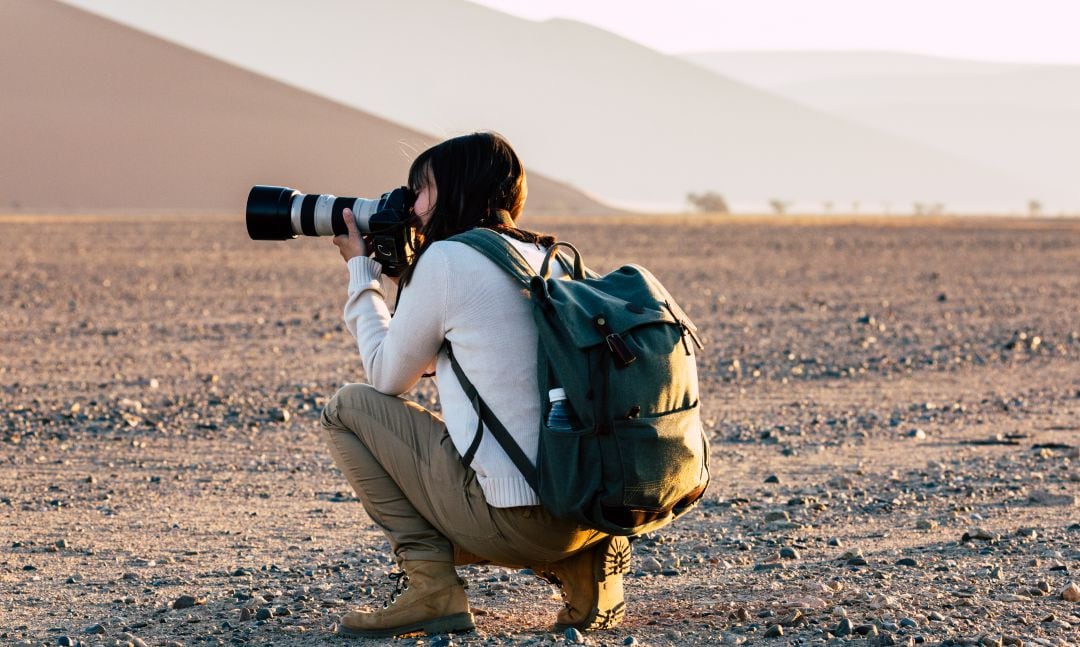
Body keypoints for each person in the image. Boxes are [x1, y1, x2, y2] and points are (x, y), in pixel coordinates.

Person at [320, 132, 632, 638]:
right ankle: (585, 566)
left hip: (517, 525)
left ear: (455, 191)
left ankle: (432, 588)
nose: (412, 205)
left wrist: (362, 274)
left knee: (348, 408)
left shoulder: (448, 262)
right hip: (595, 510)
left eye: (421, 190)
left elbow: (387, 377)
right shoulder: (553, 259)